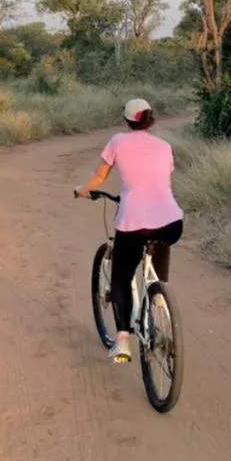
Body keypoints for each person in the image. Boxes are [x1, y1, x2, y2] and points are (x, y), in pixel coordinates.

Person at [75, 97, 183, 363]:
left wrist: (82, 191)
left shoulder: (117, 142)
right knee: (159, 239)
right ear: (150, 119)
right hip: (172, 222)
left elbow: (100, 176)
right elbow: (162, 176)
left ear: (127, 119)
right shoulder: (164, 146)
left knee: (121, 277)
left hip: (134, 223)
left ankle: (122, 339)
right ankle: (159, 294)